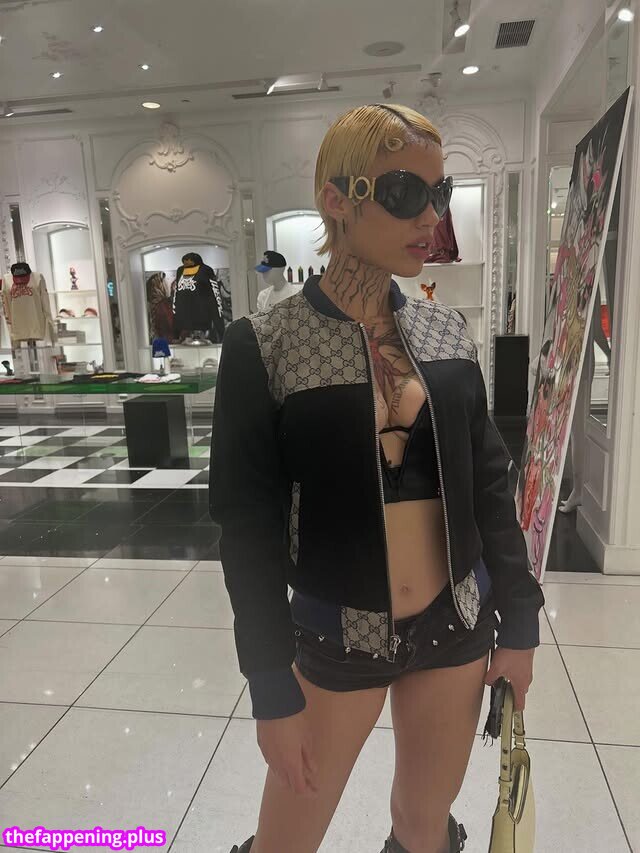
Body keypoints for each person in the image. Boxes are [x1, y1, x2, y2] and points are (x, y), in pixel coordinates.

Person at [209, 104, 544, 853]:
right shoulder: (266, 345)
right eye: (404, 193)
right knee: (285, 842)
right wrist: (269, 679)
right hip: (337, 634)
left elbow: (492, 486)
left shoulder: (444, 331)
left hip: (456, 624)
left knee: (424, 828)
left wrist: (519, 621)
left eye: (439, 193)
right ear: (338, 198)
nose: (430, 216)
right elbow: (246, 526)